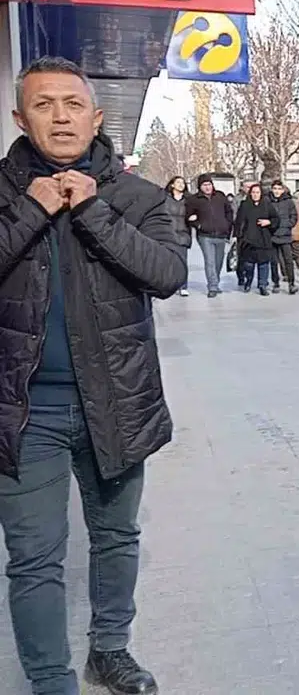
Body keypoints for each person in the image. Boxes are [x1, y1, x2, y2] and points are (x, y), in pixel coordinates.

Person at [0, 56, 185, 695]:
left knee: (116, 537)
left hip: (117, 400)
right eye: (44, 104)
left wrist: (93, 211)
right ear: (20, 118)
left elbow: (167, 273)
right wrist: (29, 212)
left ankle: (111, 650)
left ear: (96, 117)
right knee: (34, 559)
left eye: (73, 104)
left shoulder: (138, 197)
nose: (61, 117)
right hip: (24, 412)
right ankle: (52, 682)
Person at [187, 173, 234, 298]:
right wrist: (198, 225)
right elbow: (188, 216)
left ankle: (215, 282)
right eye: (204, 185)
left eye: (209, 184)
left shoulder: (220, 196)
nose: (207, 187)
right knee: (210, 261)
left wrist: (227, 225)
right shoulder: (194, 200)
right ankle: (212, 286)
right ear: (200, 187)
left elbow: (229, 212)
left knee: (219, 262)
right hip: (205, 235)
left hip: (221, 234)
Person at [234, 183, 277, 296]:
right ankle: (248, 281)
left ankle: (262, 285)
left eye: (257, 192)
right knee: (249, 264)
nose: (255, 195)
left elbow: (276, 219)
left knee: (263, 263)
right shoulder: (245, 205)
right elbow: (238, 222)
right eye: (253, 192)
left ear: (261, 193)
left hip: (263, 239)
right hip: (248, 240)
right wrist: (237, 236)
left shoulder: (267, 205)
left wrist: (269, 222)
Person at [267, 180, 298, 294]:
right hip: (272, 235)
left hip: (285, 235)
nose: (277, 191)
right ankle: (276, 283)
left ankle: (291, 283)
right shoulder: (267, 201)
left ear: (283, 190)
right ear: (272, 189)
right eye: (275, 189)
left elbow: (294, 216)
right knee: (273, 261)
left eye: (279, 189)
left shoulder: (289, 202)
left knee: (288, 260)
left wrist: (287, 225)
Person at [165, 176, 192, 296]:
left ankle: (183, 286)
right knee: (169, 261)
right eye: (178, 182)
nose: (181, 184)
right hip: (168, 233)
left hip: (183, 234)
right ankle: (170, 285)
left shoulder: (188, 200)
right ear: (172, 185)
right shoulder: (165, 199)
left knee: (182, 261)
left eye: (183, 183)